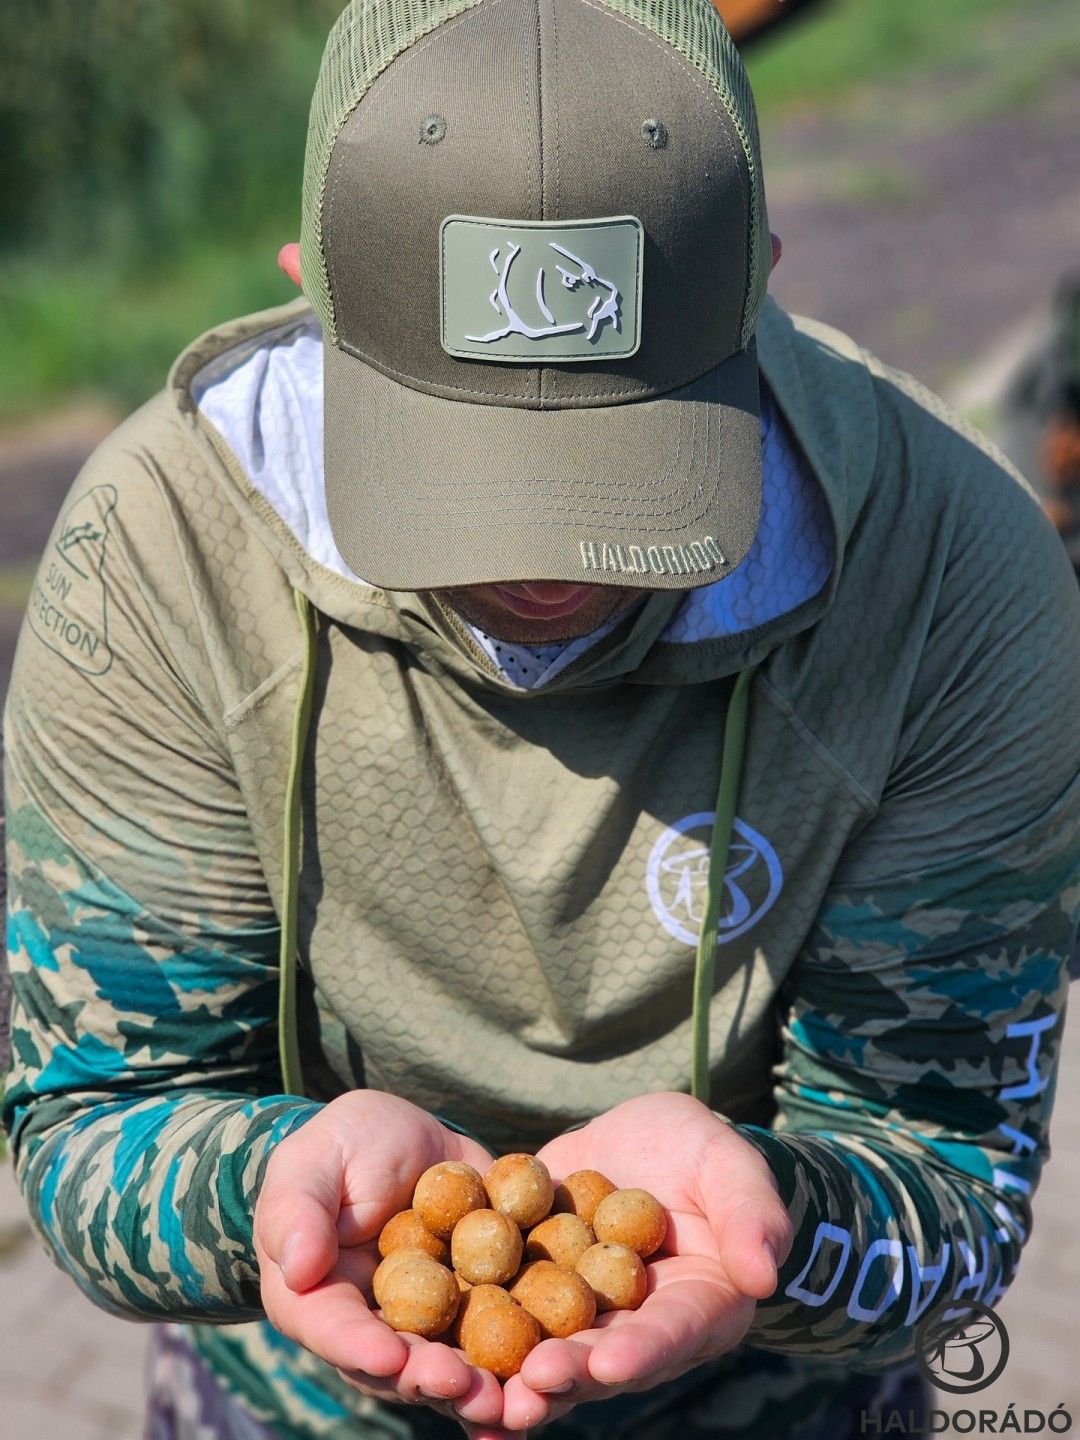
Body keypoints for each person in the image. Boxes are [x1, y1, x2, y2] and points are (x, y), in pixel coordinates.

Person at [3, 1, 1079, 1438]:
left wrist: (783, 1224)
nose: (543, 563)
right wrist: (267, 1187)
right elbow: (92, 1123)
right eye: (462, 456)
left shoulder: (956, 581)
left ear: (757, 277)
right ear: (308, 285)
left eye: (614, 451)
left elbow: (950, 1177)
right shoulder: (155, 559)